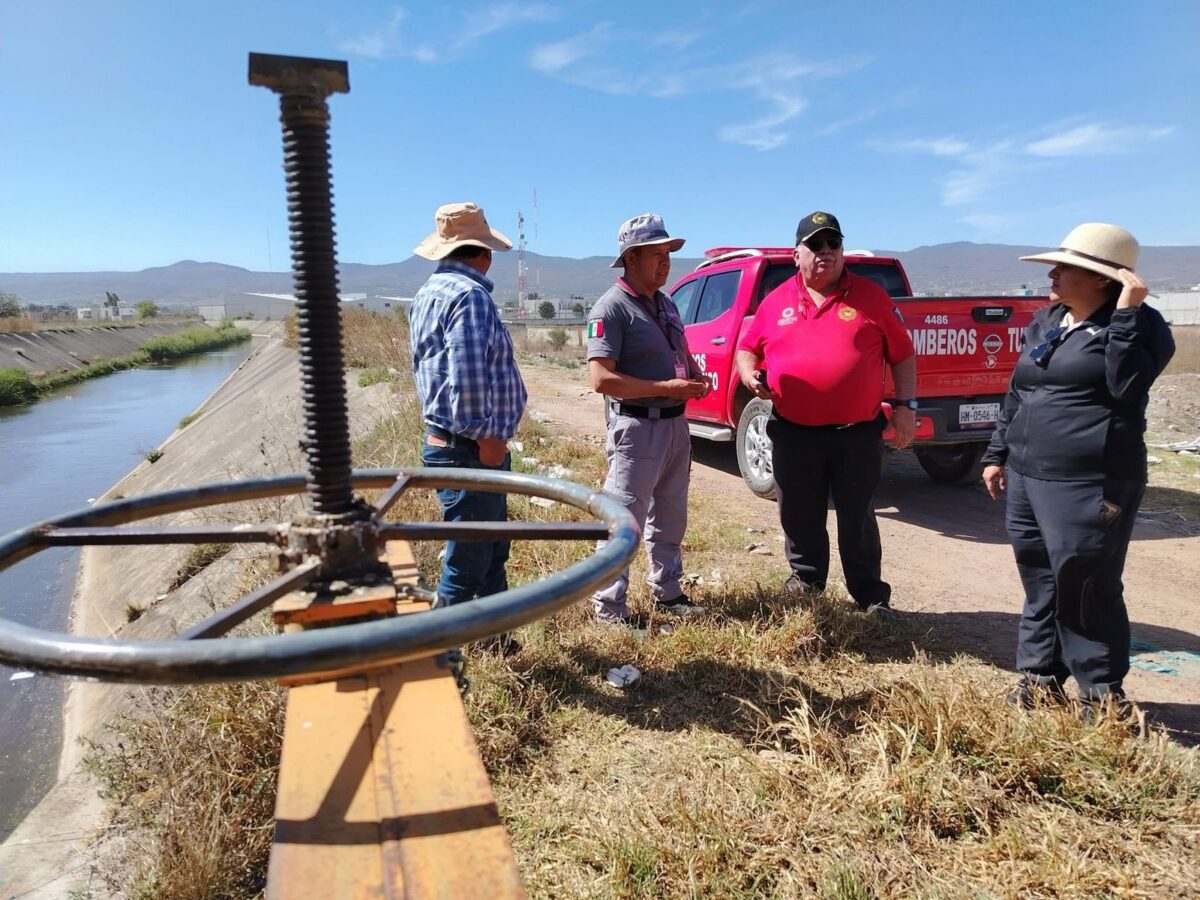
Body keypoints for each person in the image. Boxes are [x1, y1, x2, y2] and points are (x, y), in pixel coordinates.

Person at [982, 223, 1174, 709]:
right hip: (1028, 476)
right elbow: (1020, 390)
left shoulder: (1142, 328)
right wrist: (997, 452)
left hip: (1090, 481)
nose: (1052, 273)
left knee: (1086, 583)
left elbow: (1127, 386)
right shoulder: (1049, 320)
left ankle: (1102, 697)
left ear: (1103, 280)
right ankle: (1040, 680)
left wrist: (1127, 314)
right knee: (1040, 579)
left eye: (1066, 267)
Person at [734, 211, 916, 618]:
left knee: (858, 515)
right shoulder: (775, 301)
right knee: (798, 510)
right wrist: (748, 374)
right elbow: (747, 349)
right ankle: (805, 581)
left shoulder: (871, 297)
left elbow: (903, 356)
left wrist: (906, 408)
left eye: (833, 243)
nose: (826, 252)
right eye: (815, 245)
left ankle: (870, 596)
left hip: (857, 433)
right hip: (794, 431)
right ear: (796, 253)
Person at [409, 202, 528, 650]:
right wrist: (489, 439)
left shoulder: (428, 293)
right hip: (472, 446)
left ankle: (495, 641)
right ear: (482, 252)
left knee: (489, 549)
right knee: (469, 560)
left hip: (450, 442)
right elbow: (468, 376)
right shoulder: (469, 296)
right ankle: (444, 657)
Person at [587, 213, 711, 625]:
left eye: (668, 254)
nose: (666, 262)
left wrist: (693, 377)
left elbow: (682, 353)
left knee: (672, 514)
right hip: (637, 430)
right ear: (631, 259)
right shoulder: (611, 307)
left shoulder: (667, 303)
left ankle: (668, 591)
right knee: (624, 521)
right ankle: (609, 609)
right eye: (656, 254)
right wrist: (663, 388)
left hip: (676, 426)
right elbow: (601, 378)